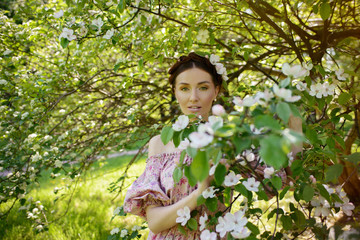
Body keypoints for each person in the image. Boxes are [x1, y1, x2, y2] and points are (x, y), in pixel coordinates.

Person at [123, 52, 225, 239]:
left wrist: (294, 122)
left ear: (216, 91)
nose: (193, 97)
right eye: (185, 88)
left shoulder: (228, 140)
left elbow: (285, 179)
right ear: (175, 92)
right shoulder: (160, 144)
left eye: (203, 87)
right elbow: (155, 222)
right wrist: (200, 193)